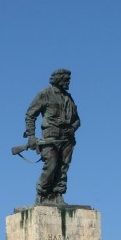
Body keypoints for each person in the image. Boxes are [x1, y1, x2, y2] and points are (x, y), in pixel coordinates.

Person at [23, 68, 81, 205]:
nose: (68, 82)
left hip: (67, 139)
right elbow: (30, 115)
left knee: (63, 167)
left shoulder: (69, 98)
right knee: (51, 164)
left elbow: (78, 119)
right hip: (50, 137)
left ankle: (58, 195)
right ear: (58, 79)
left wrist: (72, 128)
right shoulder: (45, 94)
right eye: (66, 80)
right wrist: (31, 136)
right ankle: (41, 194)